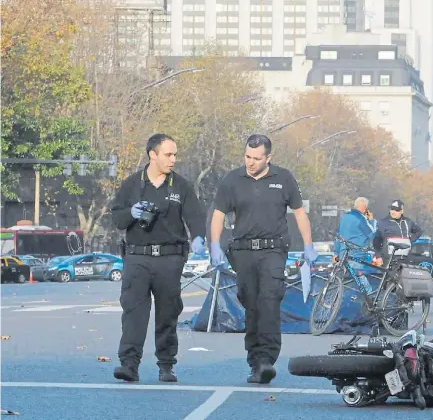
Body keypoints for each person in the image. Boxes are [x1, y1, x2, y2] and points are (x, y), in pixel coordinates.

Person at [209, 134, 316, 384]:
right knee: (251, 305)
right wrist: (214, 244)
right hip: (243, 252)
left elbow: (300, 214)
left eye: (257, 158)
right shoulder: (232, 180)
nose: (251, 162)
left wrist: (309, 245)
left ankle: (267, 360)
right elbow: (218, 214)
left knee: (269, 302)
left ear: (269, 157)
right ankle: (255, 360)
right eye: (247, 156)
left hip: (273, 251)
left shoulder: (284, 178)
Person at [110, 133, 207, 382]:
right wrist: (132, 212)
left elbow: (195, 216)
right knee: (133, 314)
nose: (173, 159)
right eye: (168, 154)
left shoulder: (181, 186)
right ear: (152, 154)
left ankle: (166, 365)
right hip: (137, 258)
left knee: (168, 313)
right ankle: (129, 365)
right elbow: (117, 218)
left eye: (175, 154)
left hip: (169, 259)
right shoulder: (131, 184)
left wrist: (198, 238)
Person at [333, 197, 378, 293]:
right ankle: (370, 296)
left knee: (347, 281)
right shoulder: (361, 219)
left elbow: (338, 236)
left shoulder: (344, 217)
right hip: (357, 254)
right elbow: (372, 234)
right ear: (365, 208)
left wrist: (336, 252)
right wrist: (372, 220)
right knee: (359, 275)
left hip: (343, 254)